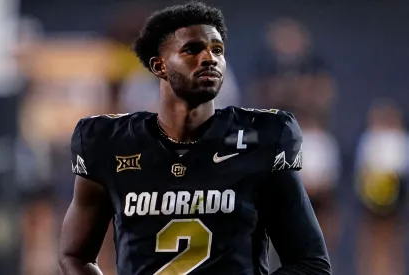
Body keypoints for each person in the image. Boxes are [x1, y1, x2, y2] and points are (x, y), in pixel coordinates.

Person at [59, 2, 331, 274]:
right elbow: (75, 255)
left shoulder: (261, 139)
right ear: (159, 66)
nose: (209, 58)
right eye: (192, 49)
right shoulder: (109, 142)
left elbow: (310, 264)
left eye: (217, 50)